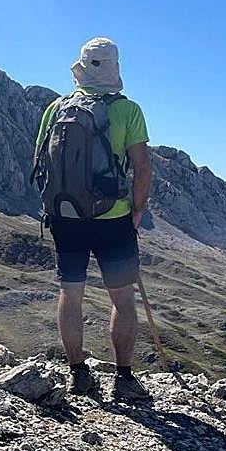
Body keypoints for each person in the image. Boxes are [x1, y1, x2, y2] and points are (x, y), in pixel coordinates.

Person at [35, 37, 153, 402]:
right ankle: (124, 378)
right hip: (112, 218)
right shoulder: (128, 111)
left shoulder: (55, 109)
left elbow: (39, 162)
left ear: (82, 68)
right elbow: (143, 169)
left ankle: (77, 374)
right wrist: (136, 211)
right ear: (115, 69)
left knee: (71, 295)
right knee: (122, 300)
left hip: (66, 216)